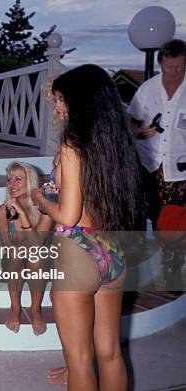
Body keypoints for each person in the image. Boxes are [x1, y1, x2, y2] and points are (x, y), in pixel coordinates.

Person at [32, 64, 143, 390]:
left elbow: (67, 215)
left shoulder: (72, 146)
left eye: (60, 99)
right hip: (112, 251)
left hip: (78, 253)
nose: (56, 106)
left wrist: (40, 198)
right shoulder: (117, 145)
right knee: (109, 354)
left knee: (79, 359)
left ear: (77, 101)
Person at [126, 38, 186, 291]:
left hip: (178, 169)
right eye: (168, 67)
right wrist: (140, 131)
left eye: (179, 68)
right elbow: (130, 121)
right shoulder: (148, 89)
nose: (172, 73)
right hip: (148, 165)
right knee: (140, 216)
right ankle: (132, 272)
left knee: (173, 224)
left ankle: (171, 278)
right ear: (161, 63)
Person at [0, 161, 53, 335]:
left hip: (40, 259)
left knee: (35, 256)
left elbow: (36, 245)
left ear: (31, 182)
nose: (11, 184)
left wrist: (22, 214)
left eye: (18, 179)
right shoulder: (2, 211)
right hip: (14, 260)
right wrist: (15, 219)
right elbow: (6, 244)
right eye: (9, 179)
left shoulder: (46, 208)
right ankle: (15, 307)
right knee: (15, 252)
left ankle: (35, 309)